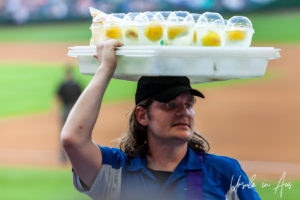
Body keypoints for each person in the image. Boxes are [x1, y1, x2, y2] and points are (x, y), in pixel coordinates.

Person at [61, 39, 261, 200]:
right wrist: (105, 68)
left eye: (188, 104)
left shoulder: (225, 172)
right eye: (169, 104)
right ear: (142, 115)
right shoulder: (117, 171)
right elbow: (73, 139)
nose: (183, 112)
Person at [56, 64, 82, 162]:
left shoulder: (62, 84)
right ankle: (76, 156)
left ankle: (63, 157)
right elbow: (82, 99)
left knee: (63, 133)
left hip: (66, 110)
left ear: (66, 74)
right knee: (76, 133)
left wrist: (58, 111)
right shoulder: (77, 84)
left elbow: (58, 98)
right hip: (75, 111)